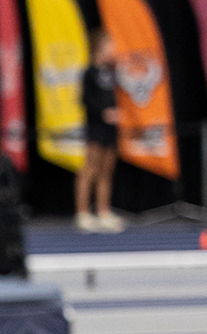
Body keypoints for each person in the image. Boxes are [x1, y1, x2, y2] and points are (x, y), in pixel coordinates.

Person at [77, 29, 122, 233]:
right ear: (98, 49)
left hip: (111, 129)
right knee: (90, 170)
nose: (113, 50)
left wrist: (117, 113)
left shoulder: (111, 73)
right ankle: (83, 213)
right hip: (95, 128)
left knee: (107, 171)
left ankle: (103, 211)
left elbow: (114, 98)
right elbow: (85, 100)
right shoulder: (89, 73)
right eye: (109, 46)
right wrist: (102, 113)